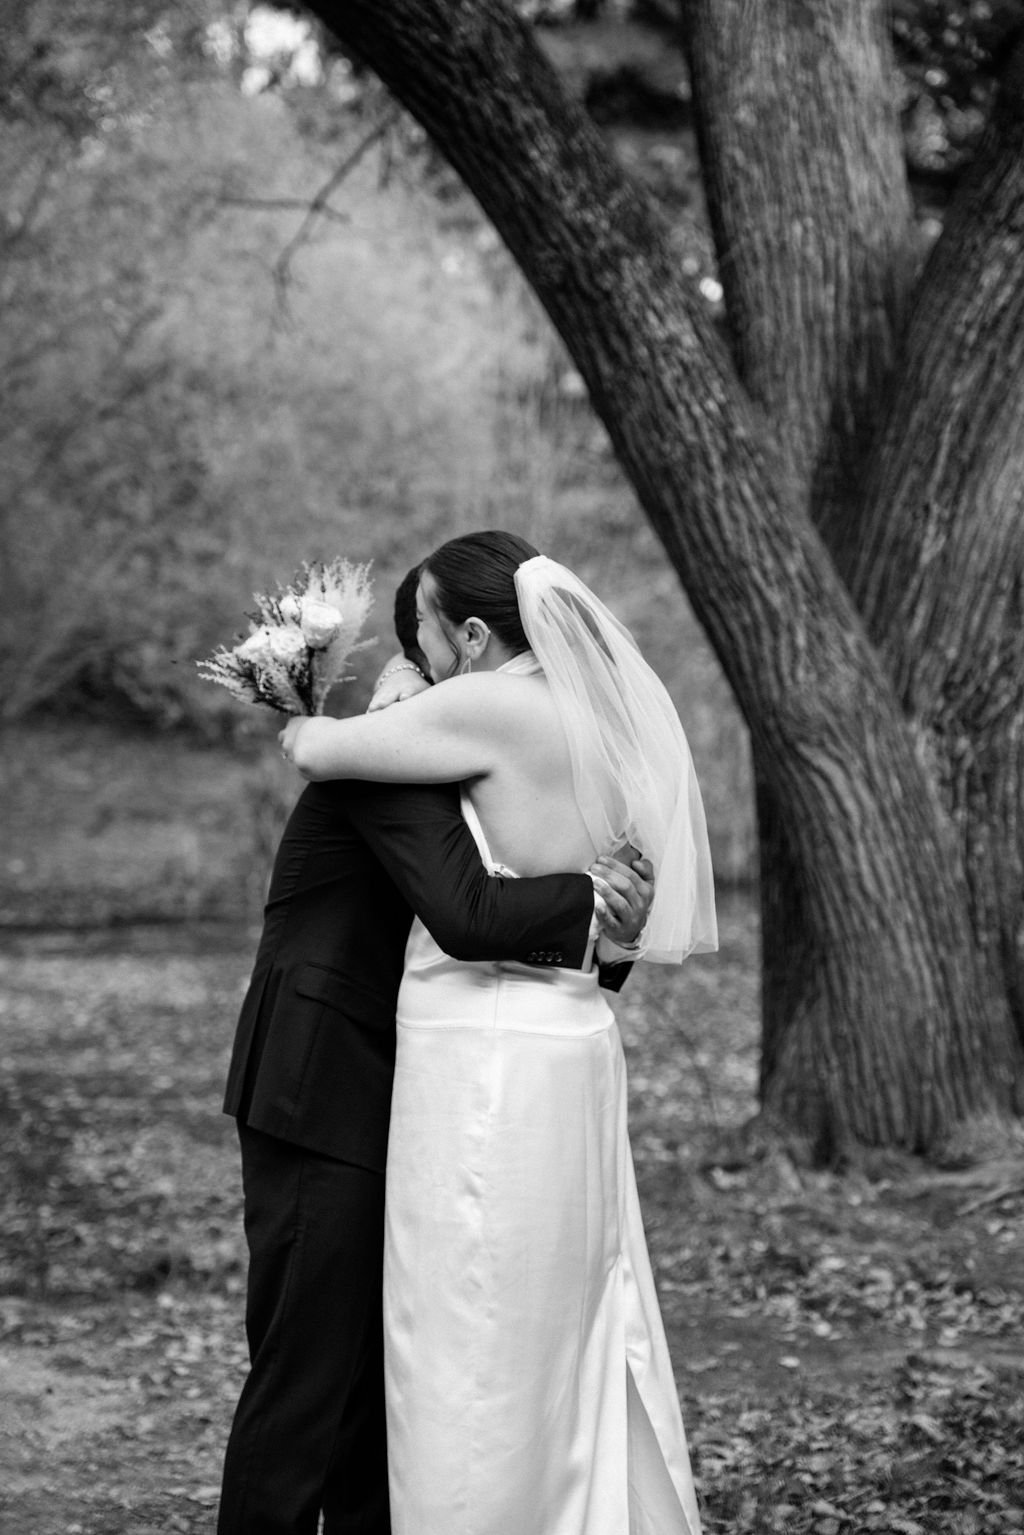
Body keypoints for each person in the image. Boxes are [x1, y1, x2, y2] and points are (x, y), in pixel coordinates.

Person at [280, 531, 717, 1535]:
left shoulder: (482, 705)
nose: (422, 655)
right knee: (566, 1314)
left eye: (426, 636)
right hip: (577, 1035)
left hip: (485, 1049)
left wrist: (391, 695)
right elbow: (619, 915)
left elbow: (313, 748)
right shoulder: (604, 725)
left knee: (466, 1323)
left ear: (474, 634)